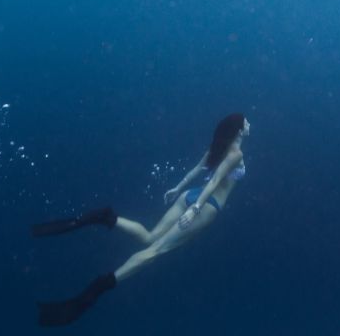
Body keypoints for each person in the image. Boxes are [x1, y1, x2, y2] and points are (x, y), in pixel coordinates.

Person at [30, 113, 250, 327]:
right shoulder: (235, 154)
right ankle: (101, 285)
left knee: (149, 236)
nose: (250, 124)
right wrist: (195, 209)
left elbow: (196, 171)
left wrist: (178, 189)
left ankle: (107, 218)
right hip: (206, 205)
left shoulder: (218, 147)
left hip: (190, 195)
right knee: (156, 250)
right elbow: (214, 183)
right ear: (239, 129)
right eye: (246, 122)